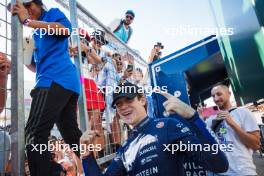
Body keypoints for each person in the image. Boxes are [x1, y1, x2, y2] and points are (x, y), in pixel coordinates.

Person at [80, 82, 228, 176]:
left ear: (142, 100)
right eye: (118, 104)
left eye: (129, 100)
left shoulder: (168, 126)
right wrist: (86, 156)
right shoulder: (125, 148)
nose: (123, 107)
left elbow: (219, 164)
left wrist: (193, 117)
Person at [11, 0, 82, 175]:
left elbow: (65, 30)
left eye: (29, 6)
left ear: (39, 3)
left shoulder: (52, 14)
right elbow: (36, 66)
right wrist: (23, 57)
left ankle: (55, 173)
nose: (27, 11)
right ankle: (89, 168)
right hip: (64, 82)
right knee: (71, 134)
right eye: (23, 8)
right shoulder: (36, 35)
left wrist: (27, 22)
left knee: (33, 134)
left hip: (54, 80)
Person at [206, 84, 260, 176]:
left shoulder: (243, 112)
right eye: (213, 96)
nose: (216, 99)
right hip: (216, 172)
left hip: (241, 172)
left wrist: (232, 123)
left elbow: (255, 145)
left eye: (219, 94)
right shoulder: (210, 119)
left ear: (229, 93)